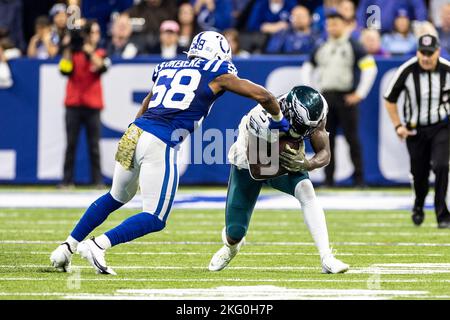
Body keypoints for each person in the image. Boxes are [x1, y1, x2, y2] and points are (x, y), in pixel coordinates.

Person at [50, 31, 290, 274]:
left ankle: (65, 248)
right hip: (162, 139)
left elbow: (147, 102)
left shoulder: (168, 67)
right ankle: (98, 245)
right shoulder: (216, 71)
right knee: (155, 217)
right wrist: (279, 120)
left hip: (135, 132)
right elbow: (264, 95)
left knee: (115, 196)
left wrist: (137, 132)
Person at [208, 85, 349, 274]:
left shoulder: (315, 111)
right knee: (235, 233)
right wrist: (292, 164)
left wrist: (306, 165)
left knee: (306, 190)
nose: (306, 132)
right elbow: (257, 170)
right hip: (249, 162)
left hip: (283, 161)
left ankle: (326, 257)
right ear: (290, 113)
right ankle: (230, 248)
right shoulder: (261, 118)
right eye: (302, 126)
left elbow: (324, 153)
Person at [302, 11, 377, 187]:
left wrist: (360, 93)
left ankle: (359, 179)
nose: (332, 27)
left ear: (344, 25)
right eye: (329, 24)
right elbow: (307, 66)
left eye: (335, 24)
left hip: (346, 97)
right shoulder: (322, 45)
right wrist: (313, 91)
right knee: (326, 140)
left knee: (352, 139)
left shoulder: (353, 45)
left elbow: (370, 67)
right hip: (326, 99)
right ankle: (329, 180)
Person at [384, 34, 450, 229]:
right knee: (419, 174)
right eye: (423, 52)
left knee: (441, 166)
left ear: (438, 51)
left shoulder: (447, 70)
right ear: (417, 52)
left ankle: (442, 214)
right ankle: (419, 205)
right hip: (415, 130)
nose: (426, 57)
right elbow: (390, 99)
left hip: (441, 127)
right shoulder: (407, 70)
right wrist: (398, 126)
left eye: (430, 53)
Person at [58, 20, 110, 188]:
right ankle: (67, 181)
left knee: (93, 145)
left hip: (92, 105)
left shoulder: (99, 52)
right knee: (70, 144)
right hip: (73, 103)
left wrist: (89, 51)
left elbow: (102, 67)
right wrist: (68, 48)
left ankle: (97, 180)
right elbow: (64, 70)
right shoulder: (73, 53)